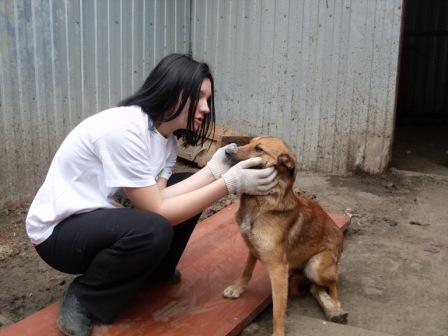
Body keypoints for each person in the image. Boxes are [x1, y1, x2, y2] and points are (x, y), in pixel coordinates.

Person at [25, 53, 277, 336]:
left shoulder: (166, 141)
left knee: (185, 187)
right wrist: (229, 184)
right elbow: (157, 212)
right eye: (200, 97)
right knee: (154, 227)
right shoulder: (124, 130)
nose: (206, 108)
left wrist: (213, 171)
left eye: (209, 100)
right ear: (174, 91)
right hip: (58, 235)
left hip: (101, 219)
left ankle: (157, 271)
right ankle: (86, 297)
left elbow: (162, 197)